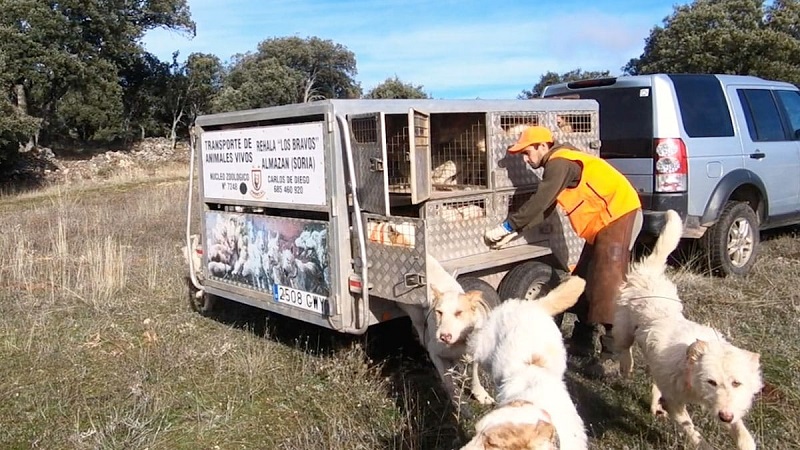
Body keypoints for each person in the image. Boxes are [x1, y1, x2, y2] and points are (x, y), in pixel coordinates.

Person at [483, 125, 643, 378]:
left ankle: (612, 356)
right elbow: (547, 207)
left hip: (619, 215)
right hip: (603, 223)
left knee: (607, 283)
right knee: (580, 280)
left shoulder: (559, 163)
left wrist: (508, 225)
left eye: (527, 153)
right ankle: (583, 340)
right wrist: (516, 232)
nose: (526, 159)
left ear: (543, 146)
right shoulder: (561, 161)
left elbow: (542, 199)